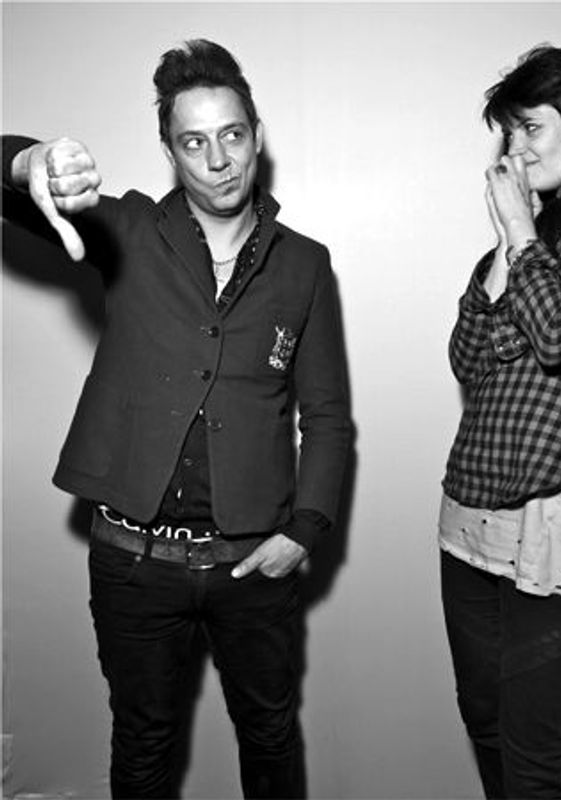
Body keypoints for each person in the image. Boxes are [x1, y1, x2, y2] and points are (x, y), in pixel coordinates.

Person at [2, 39, 351, 800]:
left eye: (232, 135)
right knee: (142, 745)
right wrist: (27, 164)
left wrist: (305, 530)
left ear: (257, 136)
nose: (219, 160)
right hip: (134, 563)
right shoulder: (128, 229)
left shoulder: (304, 264)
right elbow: (8, 182)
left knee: (270, 739)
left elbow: (328, 417)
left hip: (252, 565)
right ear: (169, 152)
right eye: (194, 142)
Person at [438, 45, 561, 799]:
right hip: (470, 514)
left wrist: (520, 229)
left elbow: (559, 333)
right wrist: (508, 245)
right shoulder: (536, 233)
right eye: (509, 134)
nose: (515, 151)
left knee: (538, 762)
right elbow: (468, 358)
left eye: (531, 128)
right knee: (485, 723)